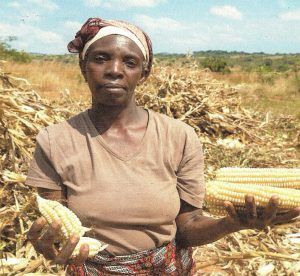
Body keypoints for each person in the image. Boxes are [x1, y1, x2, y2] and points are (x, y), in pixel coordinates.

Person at [25, 17, 300, 276]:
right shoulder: (54, 141)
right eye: (101, 59)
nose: (115, 71)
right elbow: (58, 227)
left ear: (143, 74)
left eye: (130, 62)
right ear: (83, 67)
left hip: (168, 268)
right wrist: (53, 242)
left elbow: (187, 228)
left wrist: (232, 223)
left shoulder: (179, 136)